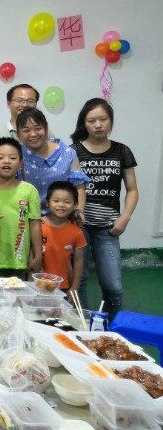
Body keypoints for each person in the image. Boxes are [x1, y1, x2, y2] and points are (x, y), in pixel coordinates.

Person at [71, 99, 138, 316]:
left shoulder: (122, 151)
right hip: (78, 226)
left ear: (111, 121)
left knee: (113, 287)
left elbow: (132, 190)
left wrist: (125, 217)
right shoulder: (73, 151)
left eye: (103, 119)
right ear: (84, 123)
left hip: (108, 228)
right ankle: (83, 325)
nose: (98, 125)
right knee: (79, 280)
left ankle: (112, 328)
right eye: (92, 120)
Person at [0, 138, 42, 281]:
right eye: (0, 158)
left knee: (17, 295)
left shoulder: (30, 190)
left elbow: (35, 225)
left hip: (20, 261)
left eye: (12, 158)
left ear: (20, 163)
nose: (6, 161)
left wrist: (38, 255)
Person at [16, 108, 90, 214]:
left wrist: (79, 212)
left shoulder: (67, 153)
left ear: (46, 128)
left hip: (61, 218)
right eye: (26, 130)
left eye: (38, 128)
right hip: (25, 218)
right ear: (18, 134)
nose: (33, 134)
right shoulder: (15, 155)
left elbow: (79, 186)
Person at [41, 181, 87, 293]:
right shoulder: (37, 225)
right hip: (37, 282)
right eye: (56, 201)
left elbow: (79, 261)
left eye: (67, 202)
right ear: (47, 202)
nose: (61, 205)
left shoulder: (77, 232)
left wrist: (74, 287)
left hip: (64, 286)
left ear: (75, 205)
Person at [0, 84, 53, 155]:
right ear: (8, 103)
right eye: (20, 100)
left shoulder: (44, 134)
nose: (25, 105)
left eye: (30, 101)